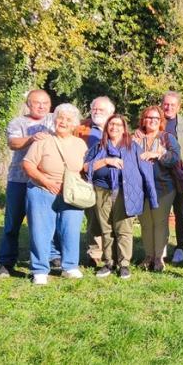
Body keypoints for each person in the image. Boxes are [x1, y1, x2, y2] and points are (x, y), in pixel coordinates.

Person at [85, 114, 158, 279]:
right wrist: (106, 161)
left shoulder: (132, 147)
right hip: (101, 191)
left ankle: (124, 264)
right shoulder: (98, 147)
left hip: (126, 193)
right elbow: (86, 166)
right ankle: (109, 262)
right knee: (106, 229)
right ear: (107, 127)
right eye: (111, 124)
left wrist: (151, 196)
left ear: (124, 128)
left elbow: (146, 170)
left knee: (124, 230)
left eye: (118, 125)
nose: (114, 127)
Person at [22, 103, 88, 285]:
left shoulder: (80, 144)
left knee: (71, 230)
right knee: (40, 232)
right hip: (42, 191)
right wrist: (47, 182)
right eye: (60, 118)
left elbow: (84, 169)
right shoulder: (43, 140)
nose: (63, 122)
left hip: (70, 194)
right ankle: (40, 269)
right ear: (54, 119)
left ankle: (70, 266)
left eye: (68, 119)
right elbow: (27, 165)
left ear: (74, 123)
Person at [0, 89, 54, 278]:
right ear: (28, 105)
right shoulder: (18, 122)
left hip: (45, 181)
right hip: (19, 180)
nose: (41, 106)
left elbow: (73, 125)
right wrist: (31, 138)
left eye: (45, 103)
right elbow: (12, 143)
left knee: (47, 222)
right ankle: (6, 261)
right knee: (13, 223)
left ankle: (53, 256)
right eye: (37, 103)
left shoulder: (54, 120)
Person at [134, 105, 180, 272]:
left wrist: (159, 155)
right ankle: (148, 256)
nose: (152, 121)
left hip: (163, 187)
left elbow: (175, 158)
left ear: (161, 121)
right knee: (146, 223)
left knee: (160, 223)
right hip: (141, 188)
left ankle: (159, 258)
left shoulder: (167, 138)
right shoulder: (136, 138)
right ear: (143, 120)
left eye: (156, 118)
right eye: (148, 118)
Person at [74, 96, 116, 267]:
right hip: (87, 180)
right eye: (94, 109)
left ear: (111, 113)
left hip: (111, 182)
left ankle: (113, 252)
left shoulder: (117, 127)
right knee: (93, 218)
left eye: (101, 110)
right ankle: (94, 253)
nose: (97, 112)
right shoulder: (80, 128)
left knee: (111, 218)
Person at [161, 91, 183, 265]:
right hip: (158, 174)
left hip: (179, 174)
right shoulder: (155, 121)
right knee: (160, 212)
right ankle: (161, 246)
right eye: (166, 104)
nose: (168, 107)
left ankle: (180, 246)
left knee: (180, 211)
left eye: (172, 105)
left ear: (179, 106)